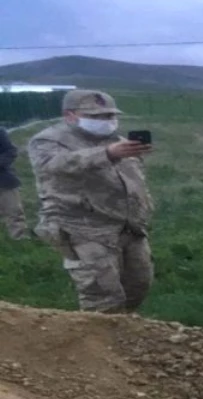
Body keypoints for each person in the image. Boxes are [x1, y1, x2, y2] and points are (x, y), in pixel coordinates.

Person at [27, 90, 154, 313]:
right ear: (70, 116)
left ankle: (125, 335)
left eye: (109, 116)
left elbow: (133, 179)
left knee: (139, 284)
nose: (106, 122)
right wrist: (106, 154)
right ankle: (102, 342)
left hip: (128, 226)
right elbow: (56, 165)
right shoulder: (48, 140)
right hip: (83, 227)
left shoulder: (118, 142)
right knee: (103, 295)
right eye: (96, 117)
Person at [0, 127, 30, 240]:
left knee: (14, 211)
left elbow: (11, 151)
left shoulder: (0, 132)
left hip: (3, 179)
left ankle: (20, 239)